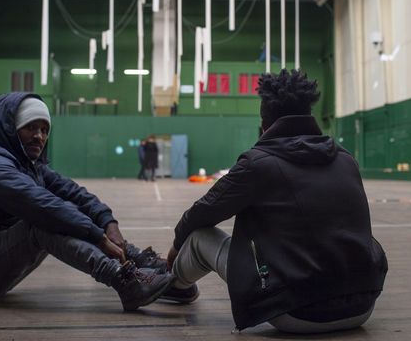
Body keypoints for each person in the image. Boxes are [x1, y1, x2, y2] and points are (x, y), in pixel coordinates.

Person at [164, 69, 388, 333]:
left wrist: (176, 248)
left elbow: (201, 213)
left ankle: (175, 286)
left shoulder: (257, 164)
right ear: (309, 114)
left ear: (264, 124)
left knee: (200, 236)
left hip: (298, 312)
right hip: (361, 308)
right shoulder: (346, 159)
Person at [0, 92, 175, 311]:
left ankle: (139, 263)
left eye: (44, 129)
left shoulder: (30, 165)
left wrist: (109, 223)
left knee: (69, 210)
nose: (39, 136)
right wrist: (98, 238)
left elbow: (75, 193)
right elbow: (41, 205)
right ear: (12, 129)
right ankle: (124, 281)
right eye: (31, 127)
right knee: (43, 221)